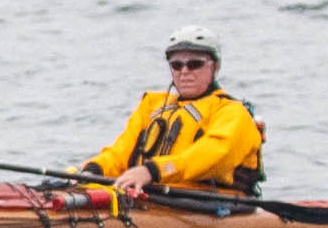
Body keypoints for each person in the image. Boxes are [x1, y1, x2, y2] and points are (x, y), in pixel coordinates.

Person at [93, 29, 268, 200]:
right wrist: (94, 169)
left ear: (215, 67)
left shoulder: (233, 112)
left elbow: (212, 155)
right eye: (176, 65)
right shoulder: (152, 105)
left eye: (195, 64)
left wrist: (152, 171)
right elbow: (121, 151)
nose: (184, 71)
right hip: (153, 194)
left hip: (210, 201)